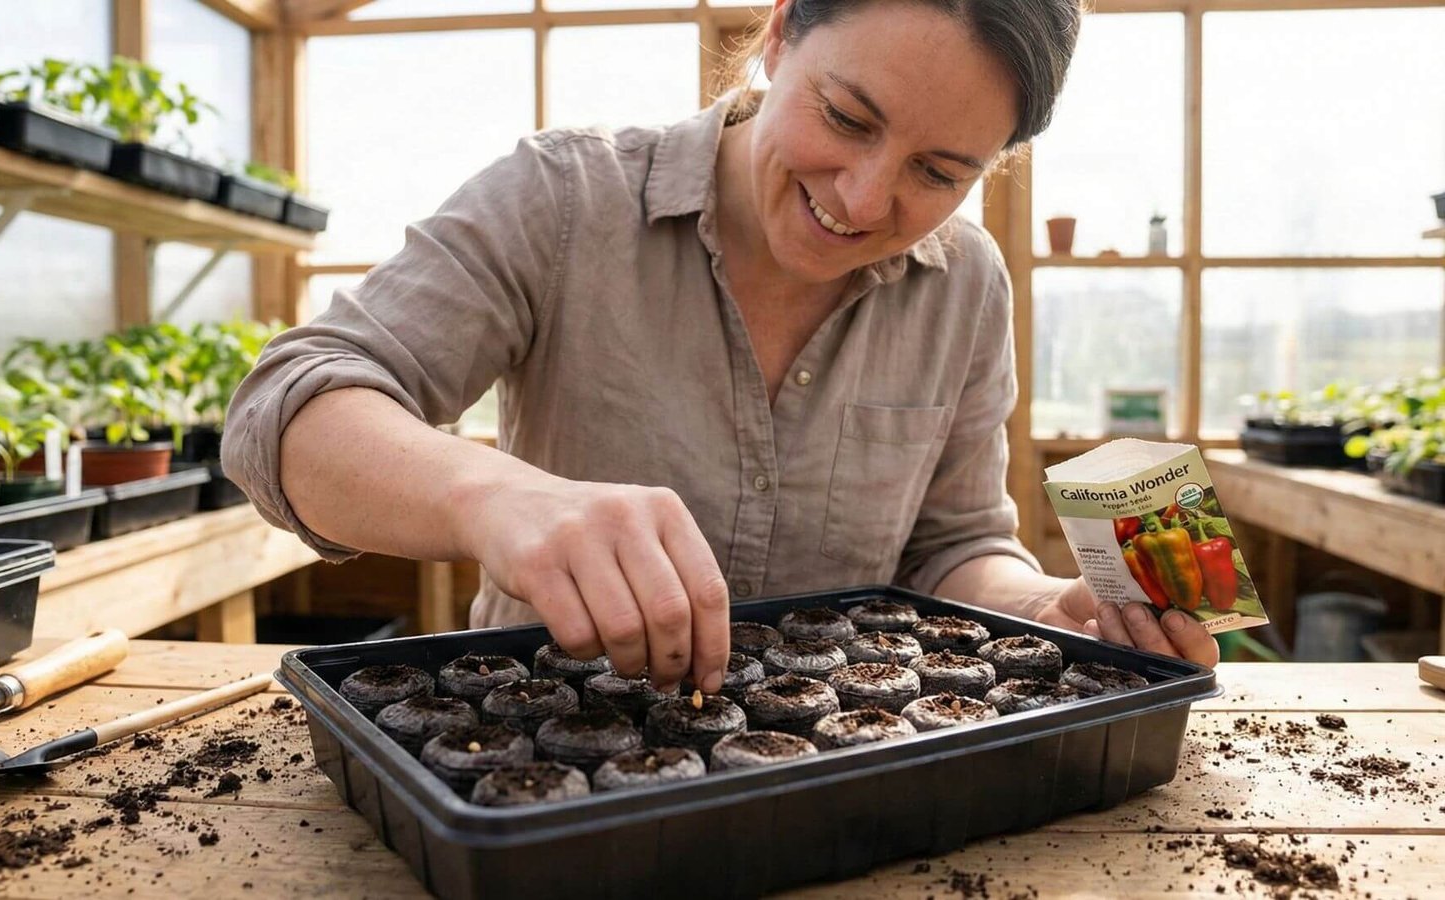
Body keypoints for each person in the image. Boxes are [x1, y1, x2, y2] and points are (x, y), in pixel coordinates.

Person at [222, 0, 1220, 698]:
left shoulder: (965, 283)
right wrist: (498, 502)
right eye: (845, 117)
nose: (866, 199)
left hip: (837, 764)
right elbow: (285, 414)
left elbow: (954, 548)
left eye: (938, 171)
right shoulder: (564, 199)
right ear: (781, 32)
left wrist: (1051, 606)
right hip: (534, 761)